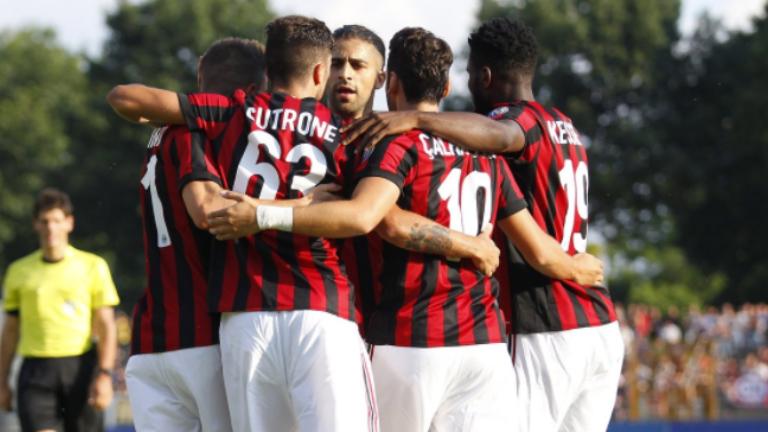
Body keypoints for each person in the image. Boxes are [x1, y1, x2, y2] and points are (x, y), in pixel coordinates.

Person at [210, 27, 604, 432]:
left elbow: (380, 218)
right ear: (447, 87)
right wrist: (574, 267)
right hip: (478, 343)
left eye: (357, 65)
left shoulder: (388, 144)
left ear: (388, 81)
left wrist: (262, 212)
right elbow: (536, 246)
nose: (346, 74)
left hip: (403, 335)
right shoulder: (483, 152)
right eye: (338, 63)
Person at [345, 17, 624, 432]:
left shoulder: (504, 128)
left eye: (473, 74)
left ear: (485, 77)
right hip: (595, 323)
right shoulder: (562, 123)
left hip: (539, 321)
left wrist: (416, 120)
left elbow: (502, 135)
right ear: (445, 88)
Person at [112, 37, 266, 432]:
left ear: (201, 78)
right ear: (251, 92)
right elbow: (207, 210)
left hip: (151, 340)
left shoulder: (161, 132)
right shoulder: (192, 134)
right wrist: (300, 209)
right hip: (201, 336)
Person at [0, 188, 119, 432]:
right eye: (44, 221)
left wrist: (105, 375)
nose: (50, 228)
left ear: (69, 223)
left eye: (56, 220)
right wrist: (2, 381)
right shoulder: (18, 272)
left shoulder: (93, 266)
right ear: (35, 224)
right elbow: (10, 331)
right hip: (36, 372)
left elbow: (106, 325)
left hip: (80, 368)